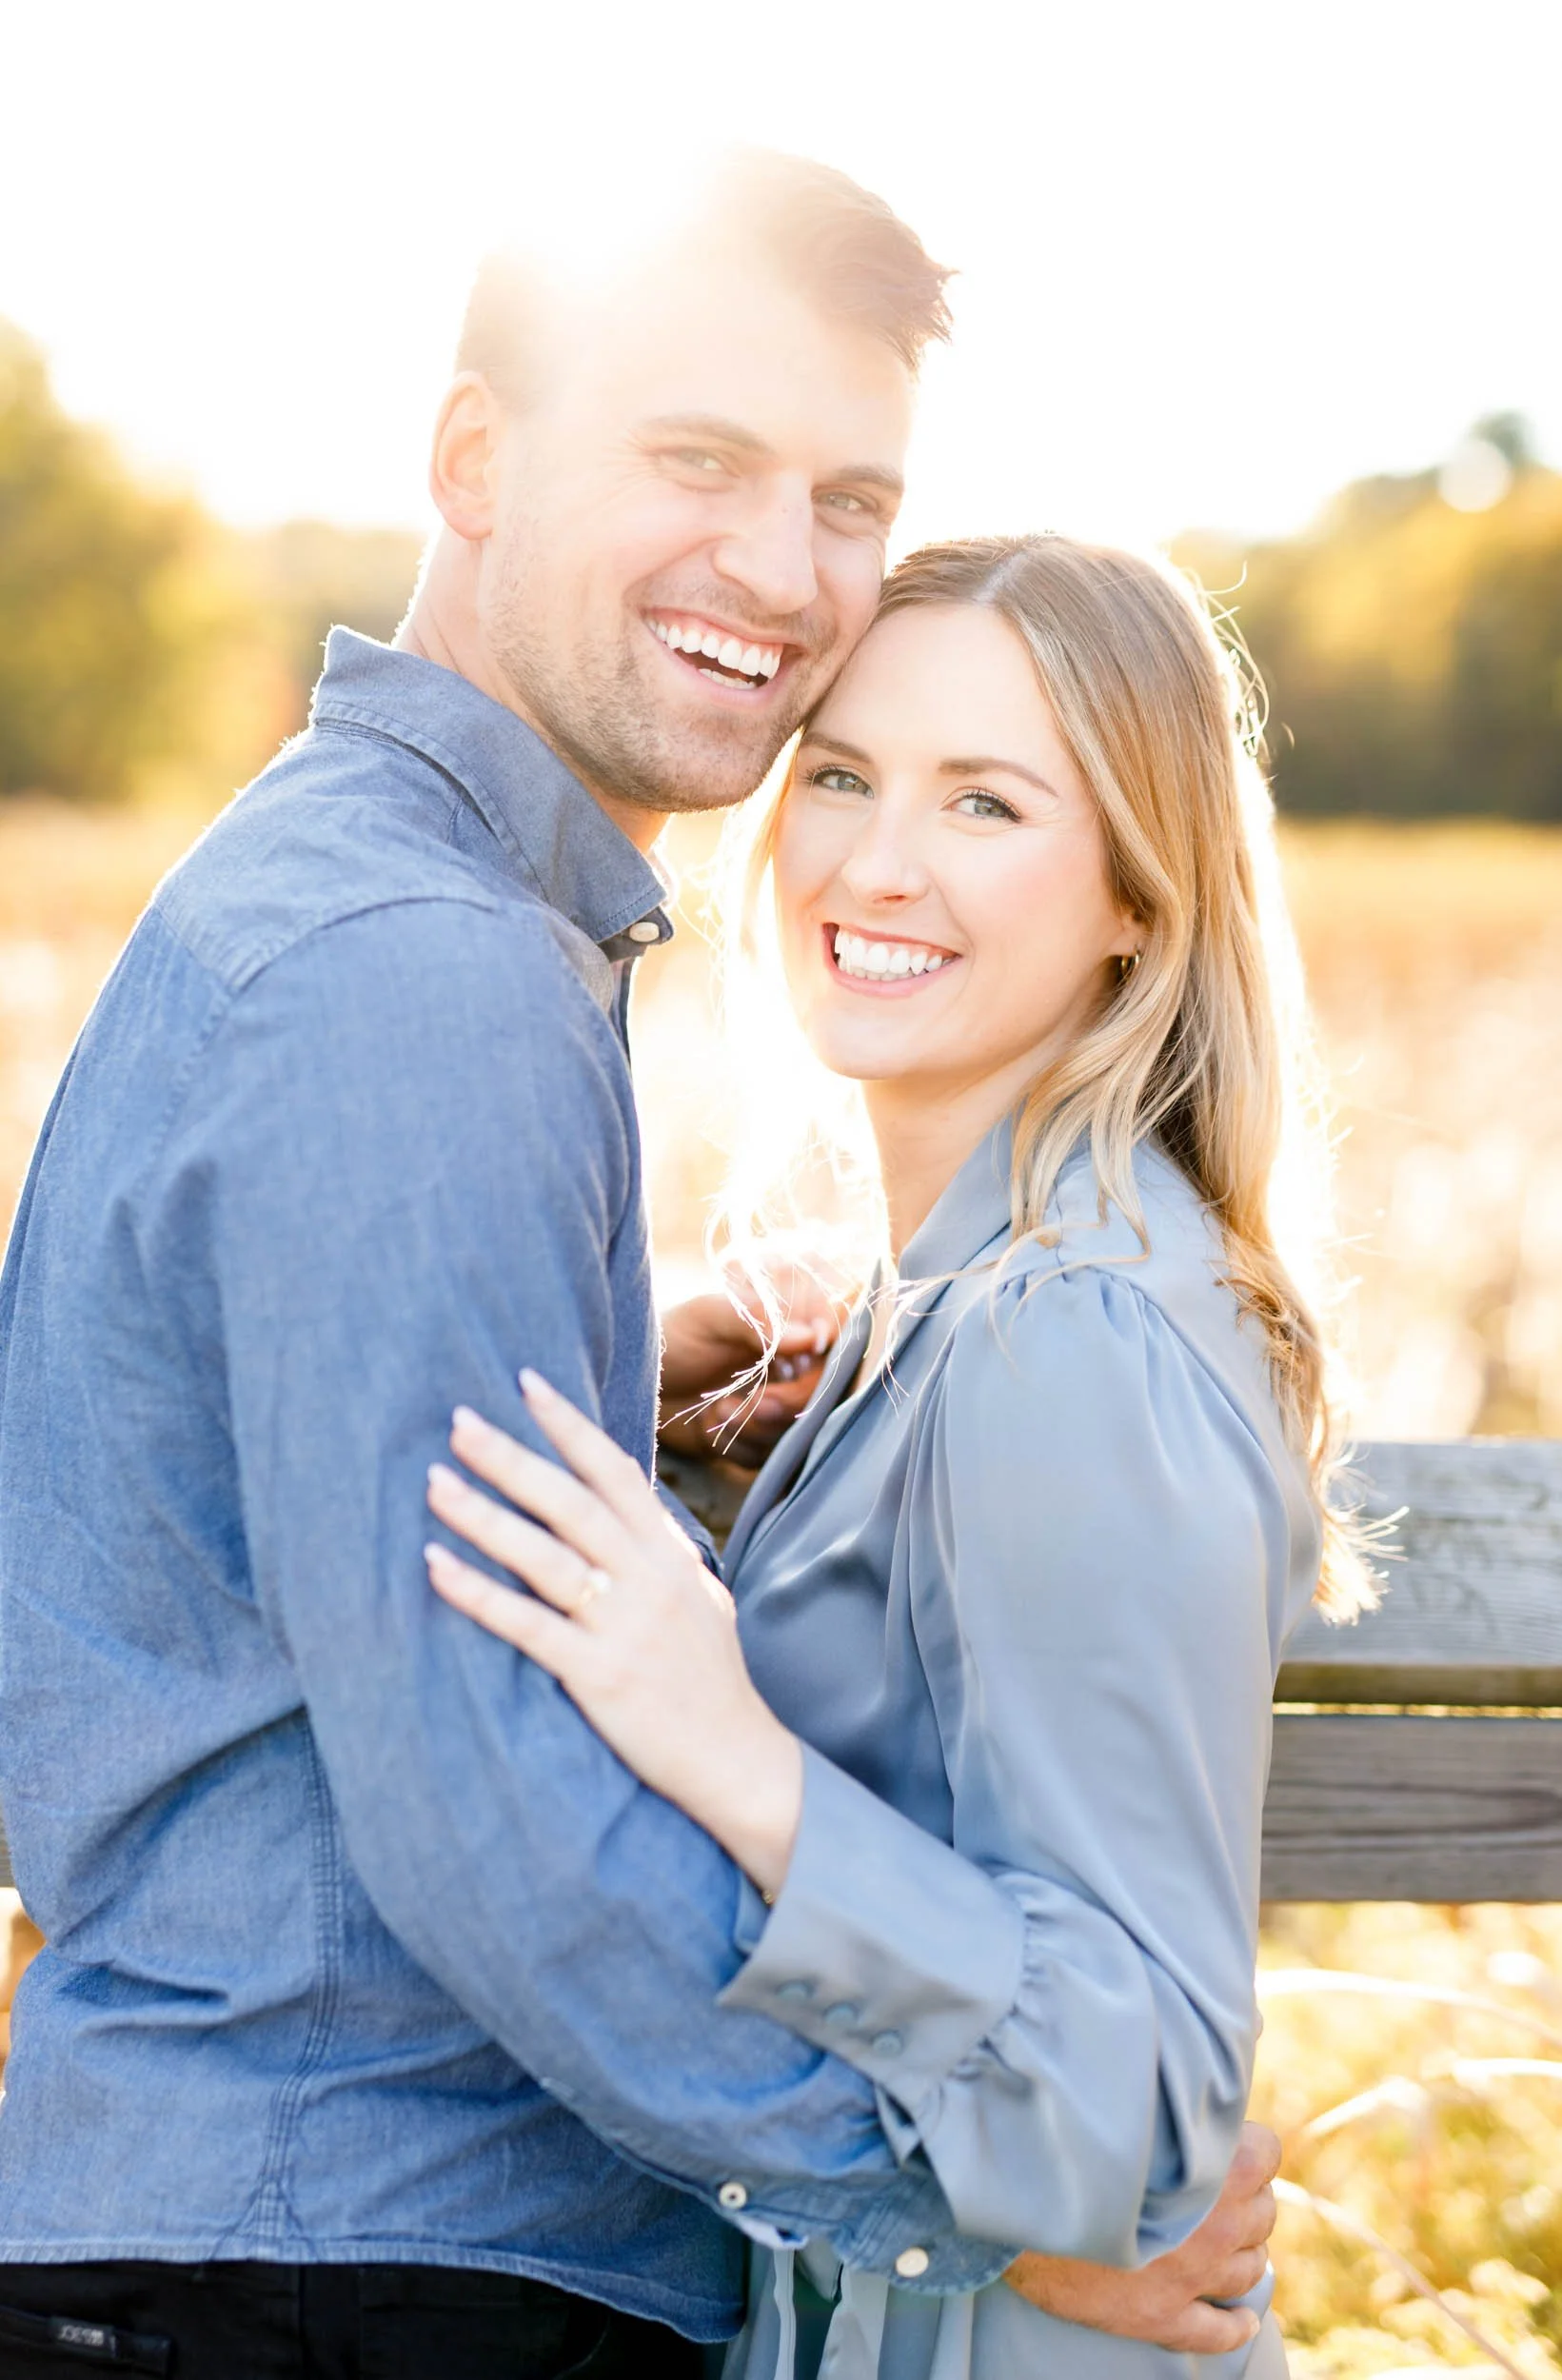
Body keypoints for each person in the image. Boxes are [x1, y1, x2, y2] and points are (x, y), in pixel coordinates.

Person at [0, 155, 1275, 2379]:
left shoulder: (366, 912)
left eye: (848, 495)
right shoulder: (427, 978)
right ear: (473, 458)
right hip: (362, 2276)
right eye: (698, 458)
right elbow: (497, 1813)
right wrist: (979, 2209)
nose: (781, 575)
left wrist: (608, 1354)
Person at [423, 532, 1370, 2376]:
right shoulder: (966, 1300)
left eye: (987, 802)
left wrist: (737, 1752)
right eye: (842, 772)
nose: (876, 858)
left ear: (1134, 897)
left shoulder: (1065, 1338)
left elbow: (1143, 2103)